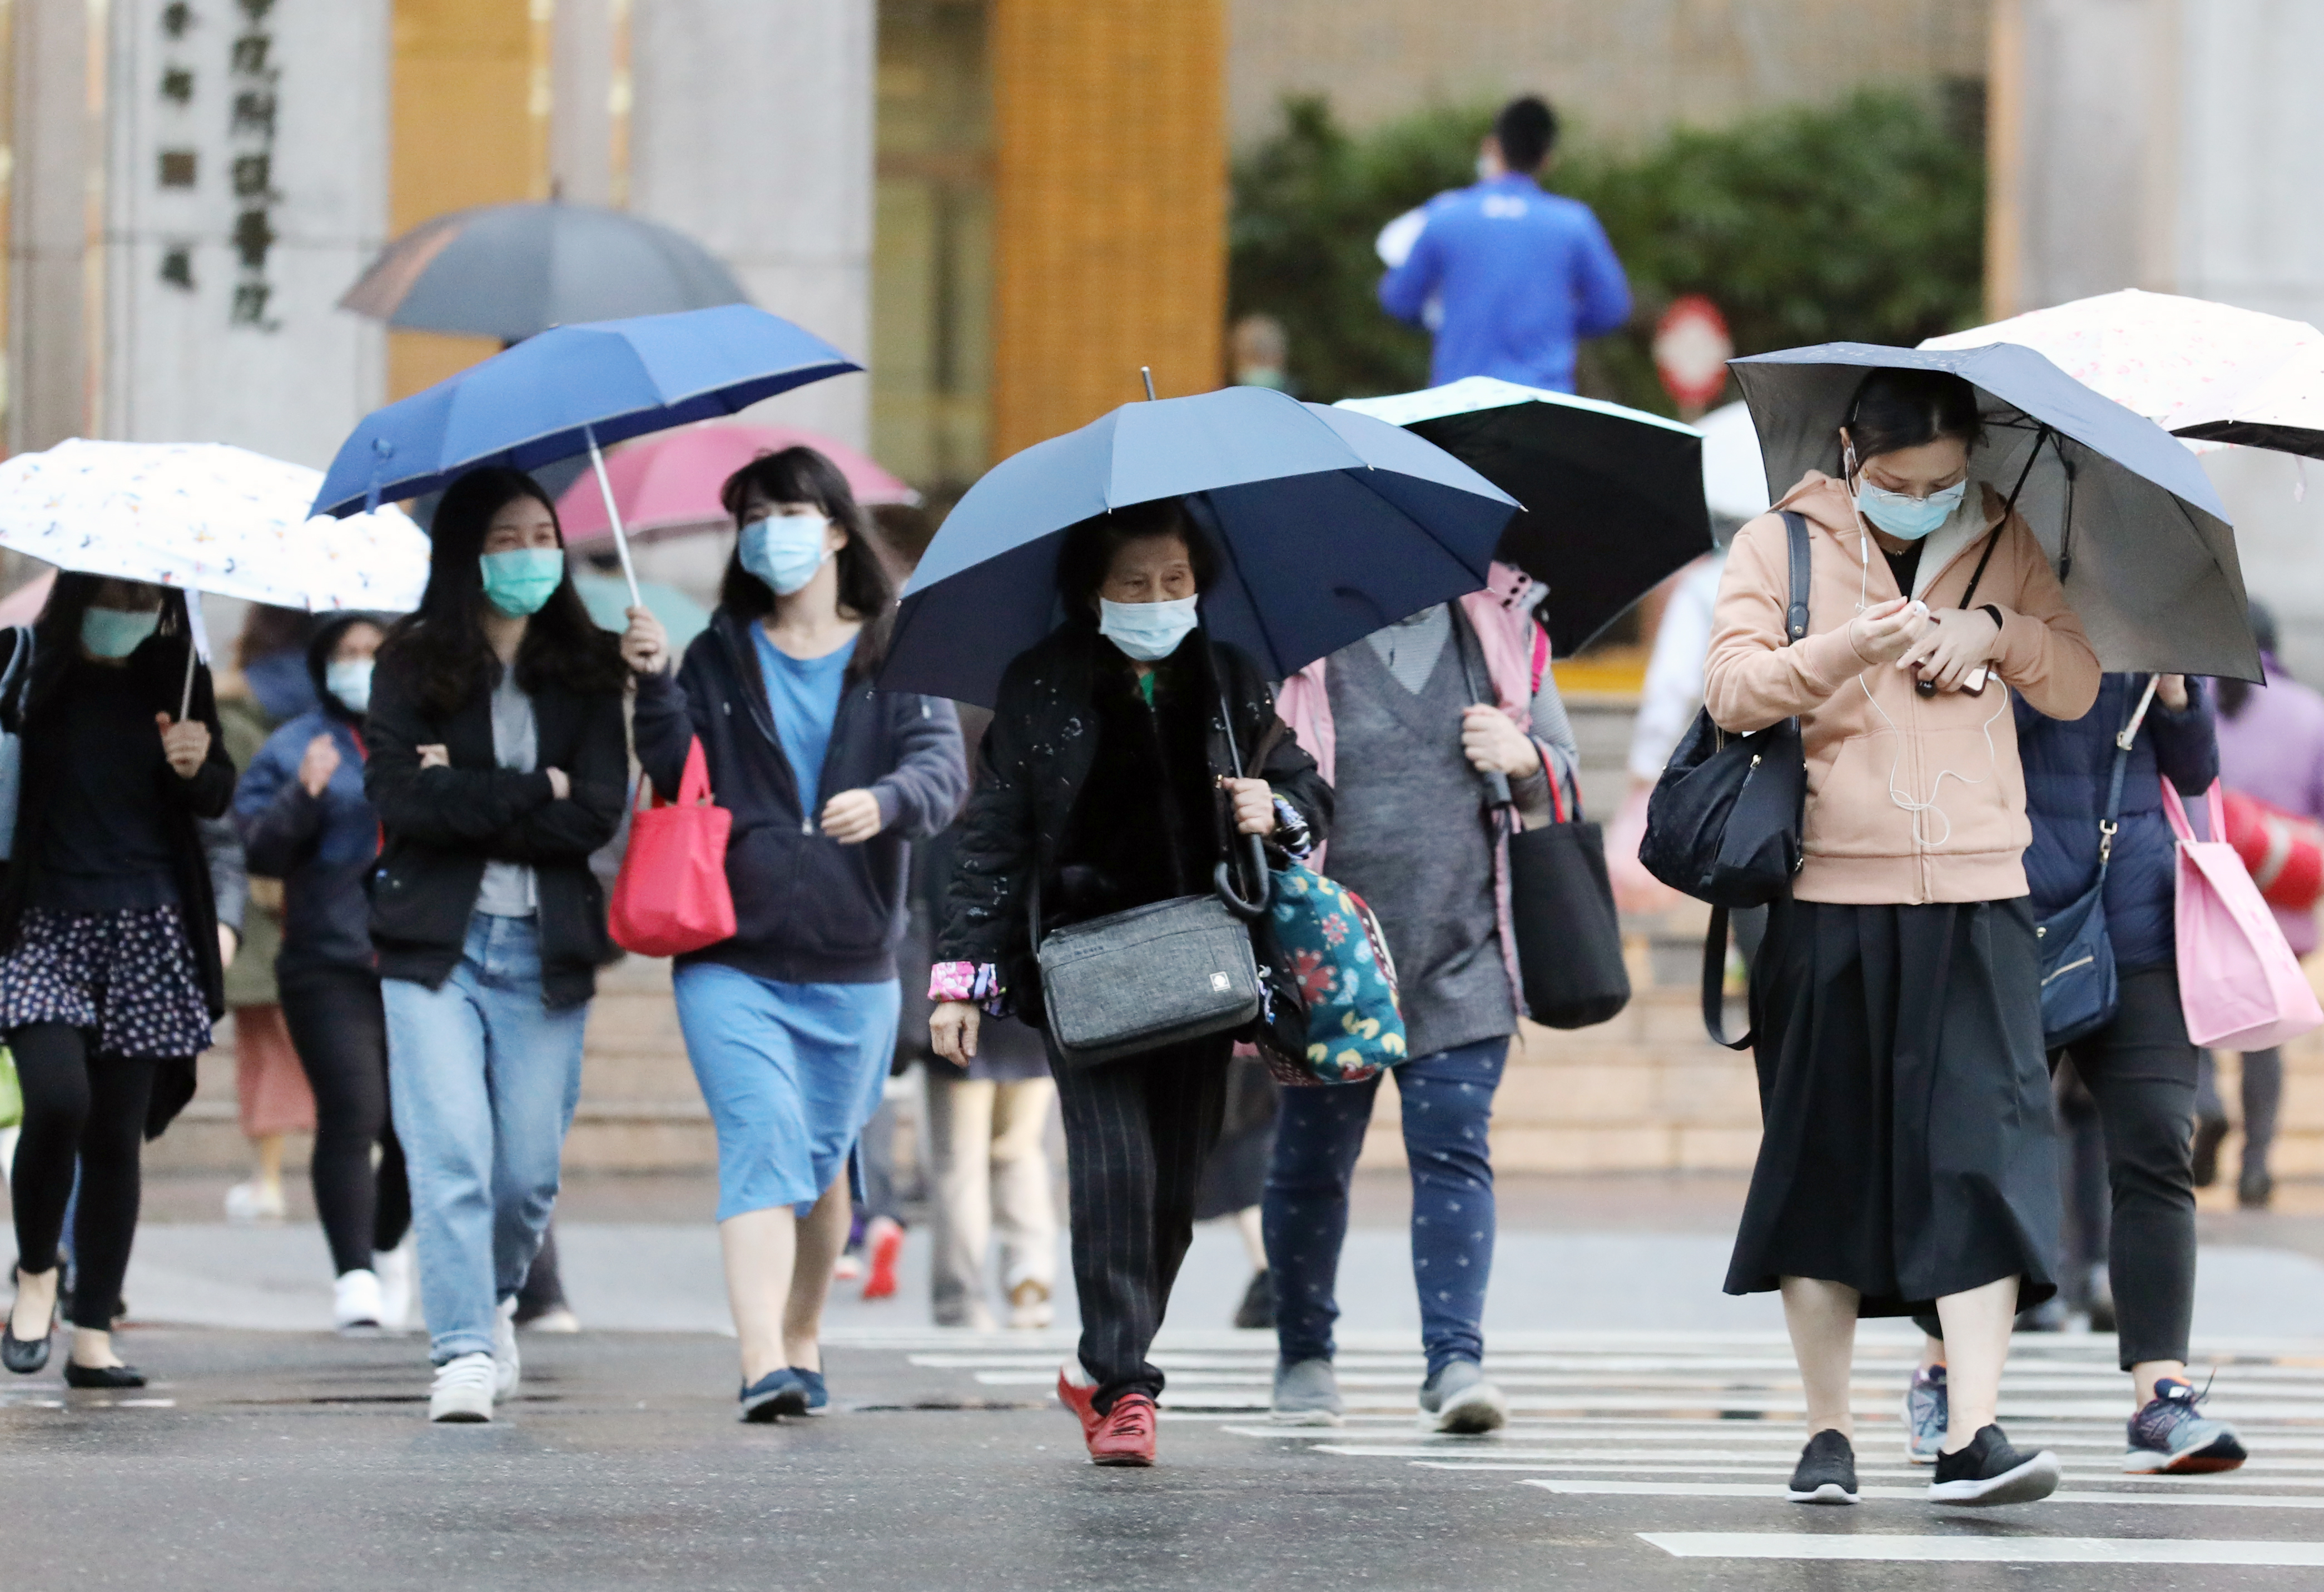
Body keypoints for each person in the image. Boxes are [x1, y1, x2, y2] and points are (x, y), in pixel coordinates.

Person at [1705, 368, 2100, 1507]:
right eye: (1894, 481)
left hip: (1978, 892)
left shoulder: (2002, 538)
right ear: (1845, 452)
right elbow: (1731, 693)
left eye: (1941, 481)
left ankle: (1969, 1430)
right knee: (1823, 1162)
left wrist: (1987, 628)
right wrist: (1854, 647)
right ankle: (1826, 1431)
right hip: (1827, 895)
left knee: (1981, 1155)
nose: (1920, 498)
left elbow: (2072, 682)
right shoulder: (1775, 546)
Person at [930, 497, 1332, 1467]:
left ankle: (1108, 1358)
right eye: (1136, 584)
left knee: (1173, 1184)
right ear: (1092, 590)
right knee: (1114, 1169)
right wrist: (959, 981)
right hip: (1083, 968)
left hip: (1204, 963)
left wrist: (1269, 802)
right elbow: (992, 837)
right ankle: (1122, 1384)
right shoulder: (1042, 683)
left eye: (1177, 582)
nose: (1159, 600)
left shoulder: (1232, 678)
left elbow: (1310, 788)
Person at [629, 445, 966, 1422]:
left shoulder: (899, 649)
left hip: (855, 961)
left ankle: (804, 1329)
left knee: (823, 1168)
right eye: (752, 516)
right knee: (762, 1140)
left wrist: (889, 797)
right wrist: (653, 683)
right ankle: (759, 1360)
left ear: (832, 527)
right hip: (730, 951)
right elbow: (673, 767)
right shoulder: (721, 650)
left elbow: (942, 771)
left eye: (787, 511)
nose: (769, 531)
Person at [1260, 566, 1578, 1432]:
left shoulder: (1504, 630)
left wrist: (1525, 759)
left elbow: (1567, 778)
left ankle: (1455, 1360)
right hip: (1329, 960)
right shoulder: (1293, 640)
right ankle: (1304, 1352)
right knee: (1311, 1161)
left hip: (1464, 950)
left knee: (1453, 1148)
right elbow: (1258, 780)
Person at [1904, 672, 2244, 1474]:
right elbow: (1959, 742)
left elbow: (2194, 771)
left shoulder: (2150, 609)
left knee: (2161, 1141)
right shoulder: (2000, 594)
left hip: (2140, 918)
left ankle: (2162, 1394)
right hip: (2014, 910)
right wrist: (2047, 663)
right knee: (1987, 1153)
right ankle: (1944, 1370)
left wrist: (2172, 696)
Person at [365, 468, 634, 1422]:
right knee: (451, 1157)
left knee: (525, 1174)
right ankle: (462, 1350)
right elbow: (400, 800)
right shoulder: (408, 665)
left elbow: (598, 812)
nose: (529, 556)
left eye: (542, 536)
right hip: (433, 944)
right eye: (505, 539)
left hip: (546, 948)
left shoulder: (595, 666)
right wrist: (533, 789)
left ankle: (502, 1297)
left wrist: (468, 789)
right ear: (465, 553)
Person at [1, 577, 236, 1388]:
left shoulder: (175, 669)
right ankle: (36, 1271)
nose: (129, 606)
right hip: (43, 923)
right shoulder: (27, 665)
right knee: (59, 1098)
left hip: (148, 920)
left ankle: (94, 1329)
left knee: (115, 1136)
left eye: (146, 592)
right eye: (115, 589)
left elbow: (216, 796)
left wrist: (196, 764)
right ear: (80, 587)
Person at [236, 611, 416, 1333]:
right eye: (346, 652)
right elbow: (259, 851)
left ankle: (381, 1240)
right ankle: (355, 1276)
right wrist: (302, 795)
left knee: (412, 1125)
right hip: (325, 959)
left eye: (374, 651)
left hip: (416, 954)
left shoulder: (422, 735)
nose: (360, 663)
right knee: (355, 1108)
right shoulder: (296, 744)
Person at [905, 788, 1059, 1332]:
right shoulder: (1039, 815)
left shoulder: (944, 830)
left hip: (958, 1012)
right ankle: (1029, 1270)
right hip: (1029, 1015)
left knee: (957, 1164)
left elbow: (925, 917)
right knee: (1019, 1149)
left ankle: (960, 1297)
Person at [1377, 95, 1630, 392]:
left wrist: (1451, 320)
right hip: (1543, 402)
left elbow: (1399, 299)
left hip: (1460, 402)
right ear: (1548, 158)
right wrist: (1555, 323)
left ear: (1492, 147)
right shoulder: (1574, 223)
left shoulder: (1446, 215)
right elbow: (1612, 308)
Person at [2204, 601, 2324, 1208]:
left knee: (2190, 1022)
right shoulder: (2311, 714)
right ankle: (2255, 1165)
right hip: (2279, 905)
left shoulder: (2190, 701)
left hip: (2200, 898)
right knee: (2263, 1038)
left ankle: (2202, 1111)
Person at [216, 606, 319, 1227]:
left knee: (268, 1042)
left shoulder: (237, 708)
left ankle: (270, 1179)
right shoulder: (336, 710)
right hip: (329, 896)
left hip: (261, 900)